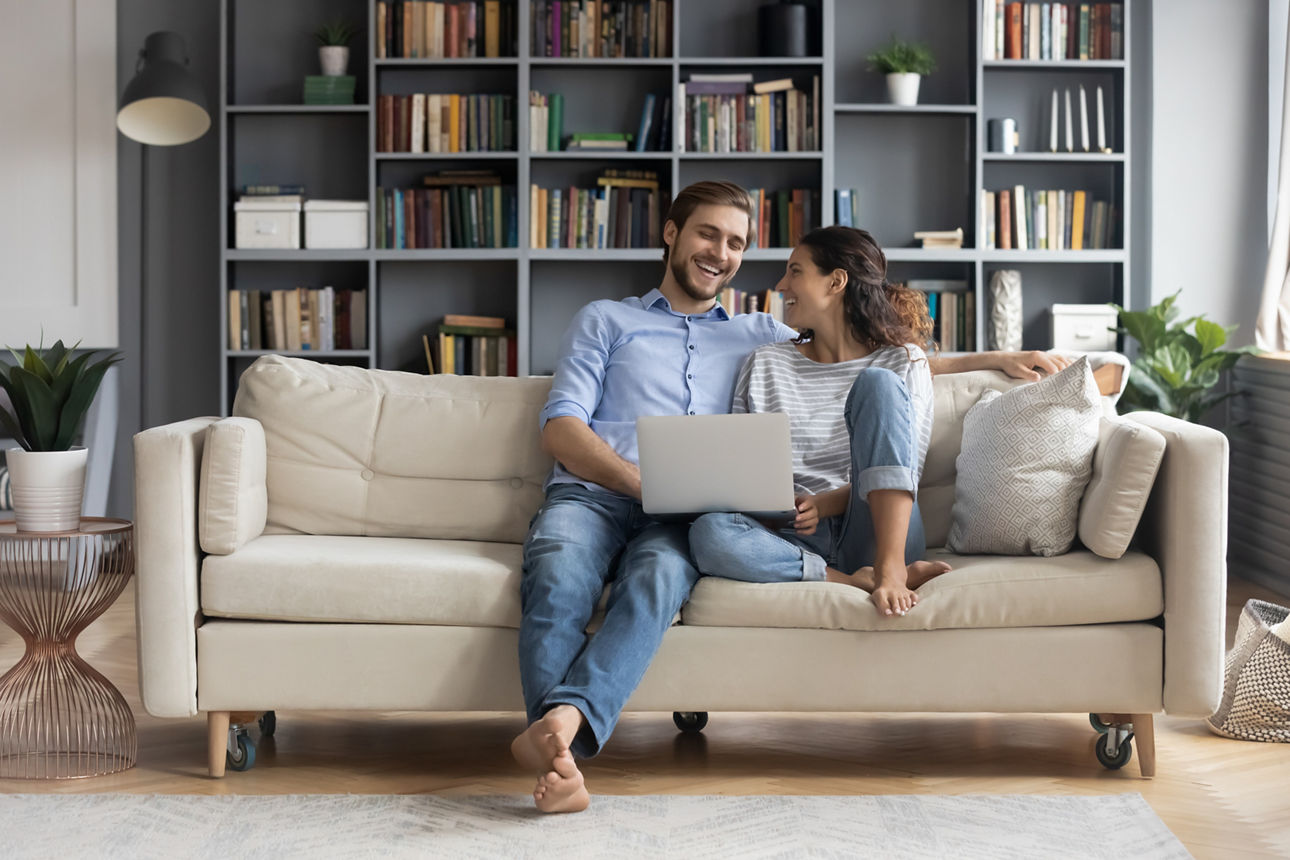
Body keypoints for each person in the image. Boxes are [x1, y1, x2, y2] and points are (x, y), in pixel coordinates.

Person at [512, 181, 1071, 815]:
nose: (721, 253)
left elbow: (868, 350)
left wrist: (998, 358)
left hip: (685, 518)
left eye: (736, 243)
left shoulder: (761, 333)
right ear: (671, 234)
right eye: (706, 234)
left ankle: (561, 736)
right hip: (597, 498)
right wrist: (647, 485)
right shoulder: (606, 320)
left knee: (661, 576)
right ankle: (561, 757)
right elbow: (561, 429)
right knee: (559, 573)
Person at [689, 226, 956, 616]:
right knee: (708, 532)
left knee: (877, 384)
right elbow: (740, 476)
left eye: (795, 271)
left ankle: (890, 568)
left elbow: (901, 471)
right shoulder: (765, 363)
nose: (781, 285)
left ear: (836, 281)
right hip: (792, 536)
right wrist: (773, 507)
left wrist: (827, 504)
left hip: (878, 530)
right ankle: (847, 580)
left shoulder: (901, 361)